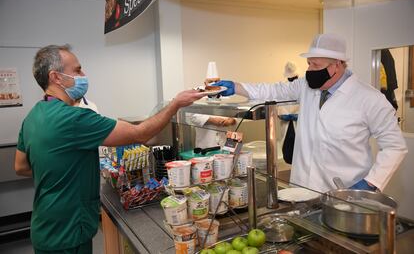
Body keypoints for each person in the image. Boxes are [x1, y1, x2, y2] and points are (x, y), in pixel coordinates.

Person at [14, 44, 206, 254]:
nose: (83, 75)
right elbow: (141, 134)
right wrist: (175, 104)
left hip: (44, 225)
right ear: (56, 77)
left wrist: (59, 169)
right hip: (68, 232)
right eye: (77, 70)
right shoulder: (73, 118)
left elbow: (21, 166)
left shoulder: (33, 117)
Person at [214, 33, 407, 192]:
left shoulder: (370, 99)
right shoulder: (305, 86)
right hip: (302, 187)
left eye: (316, 65)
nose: (309, 70)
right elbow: (272, 91)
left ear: (337, 65)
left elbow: (395, 146)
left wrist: (371, 182)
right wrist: (237, 87)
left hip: (345, 194)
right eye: (309, 64)